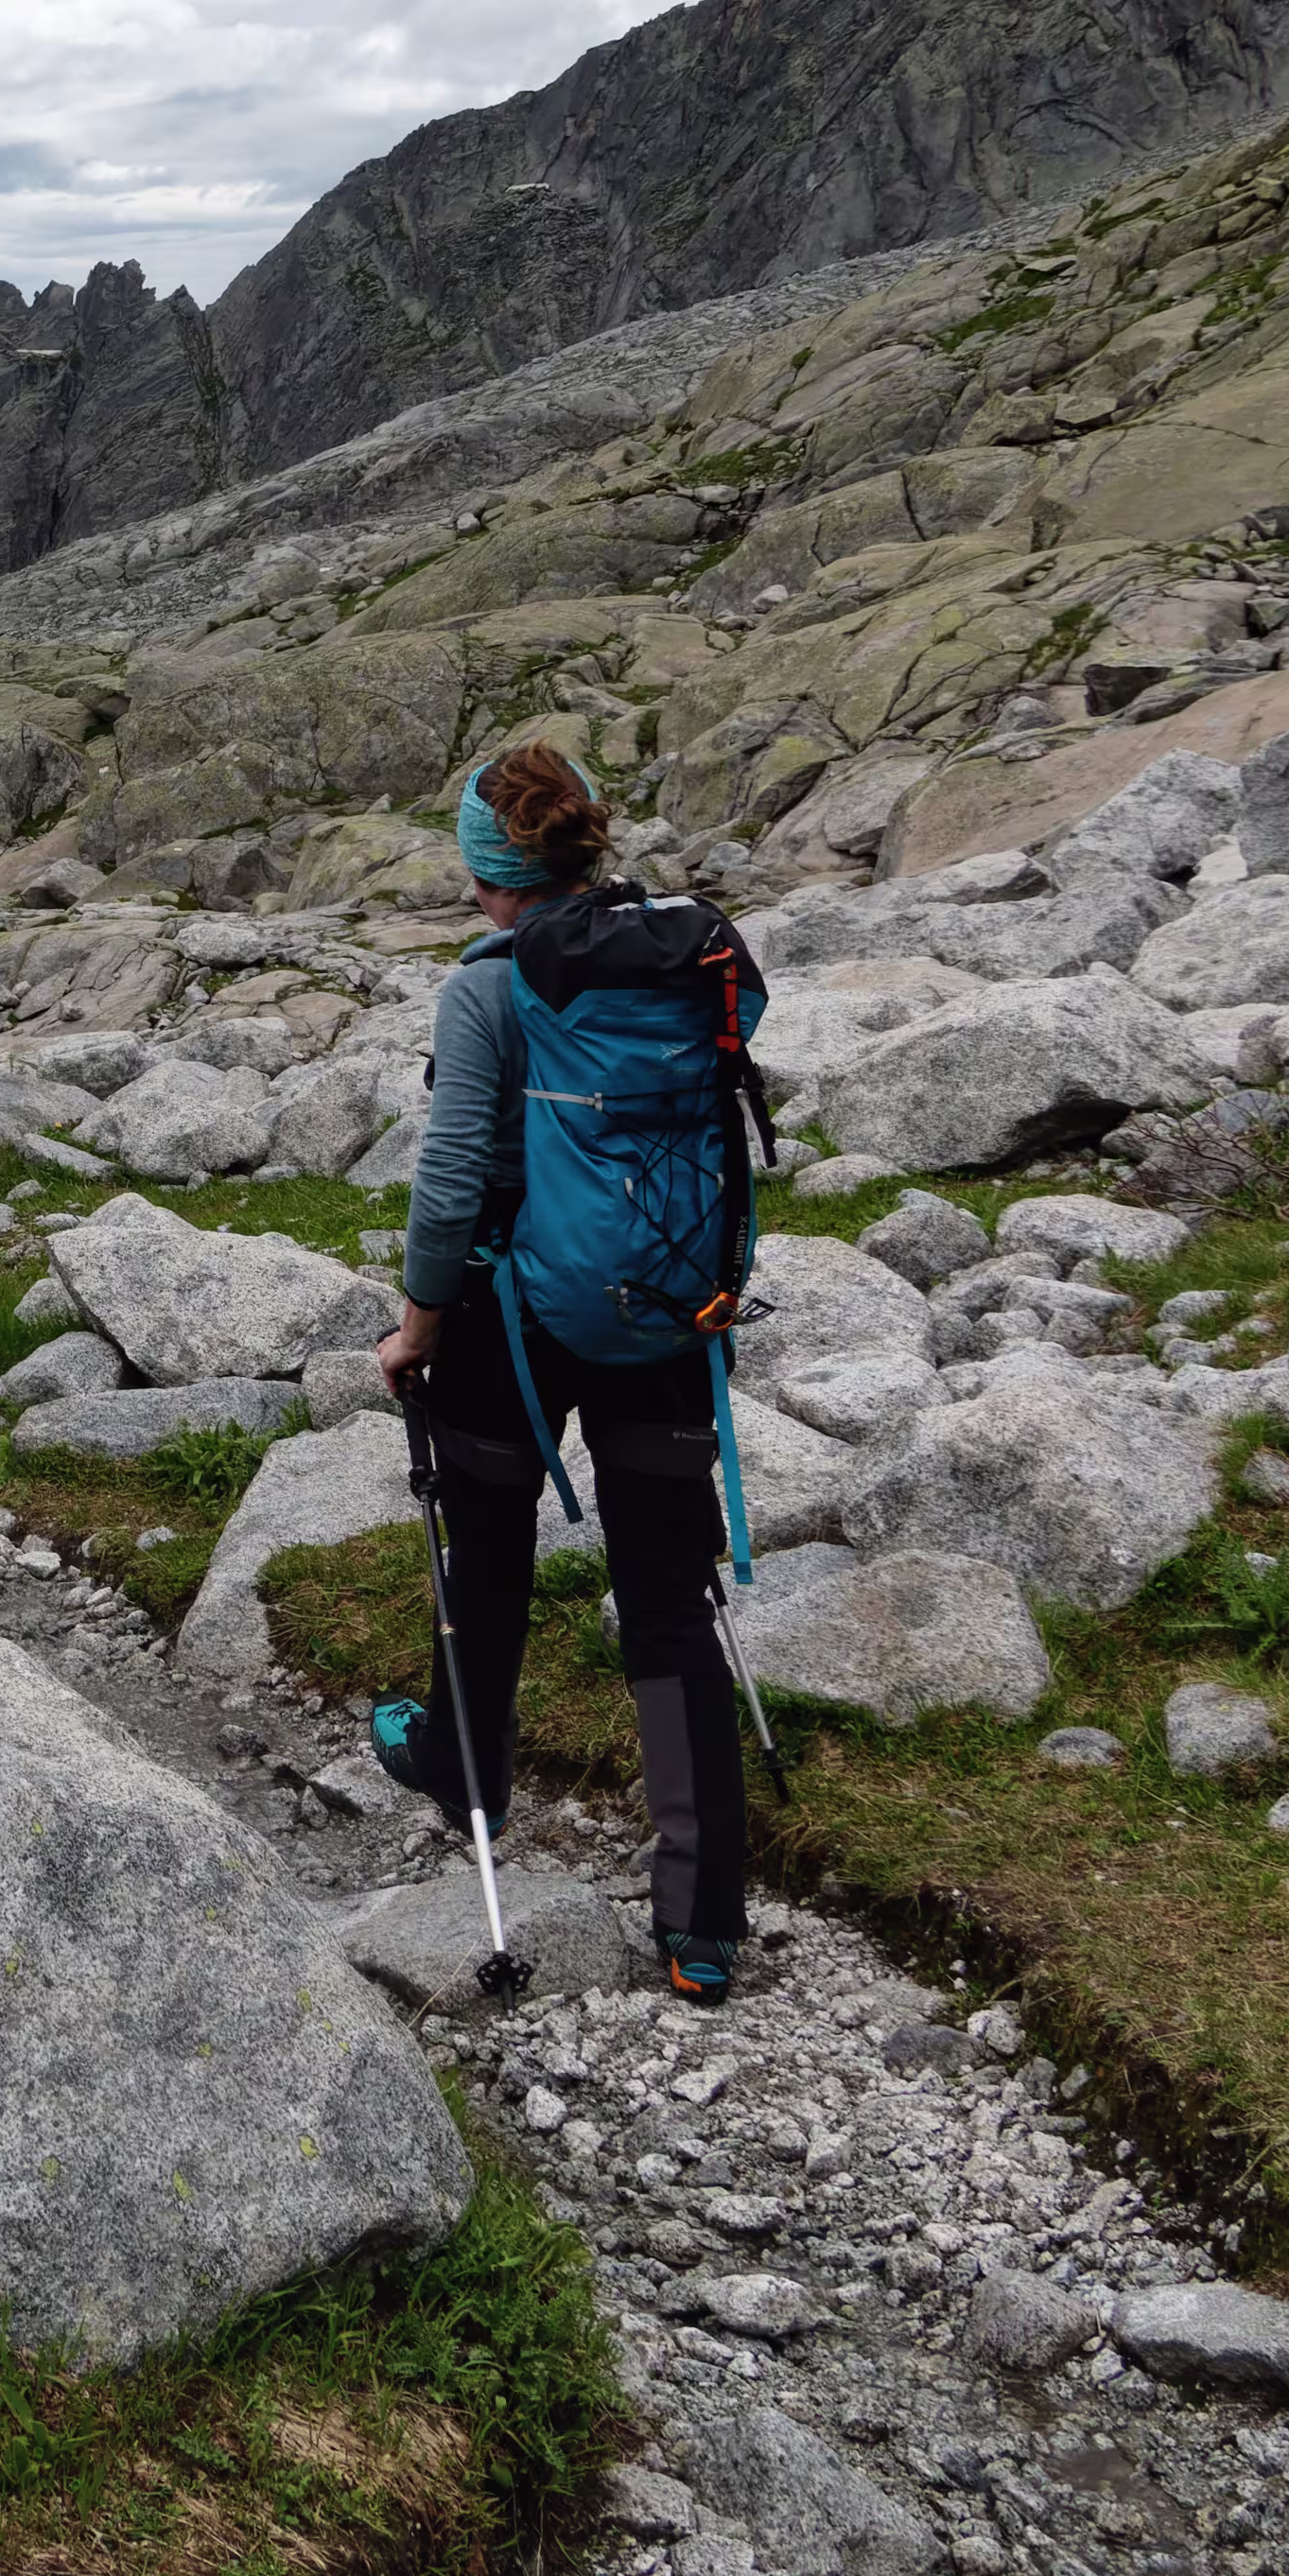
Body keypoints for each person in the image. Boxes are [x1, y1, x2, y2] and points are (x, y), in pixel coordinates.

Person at [368, 740, 762, 2002]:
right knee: (667, 1596)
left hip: (508, 1321)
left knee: (486, 1555)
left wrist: (420, 1327)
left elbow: (447, 1188)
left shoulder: (489, 984)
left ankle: (462, 1768)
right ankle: (700, 1921)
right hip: (666, 1301)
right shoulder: (681, 955)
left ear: (485, 875)